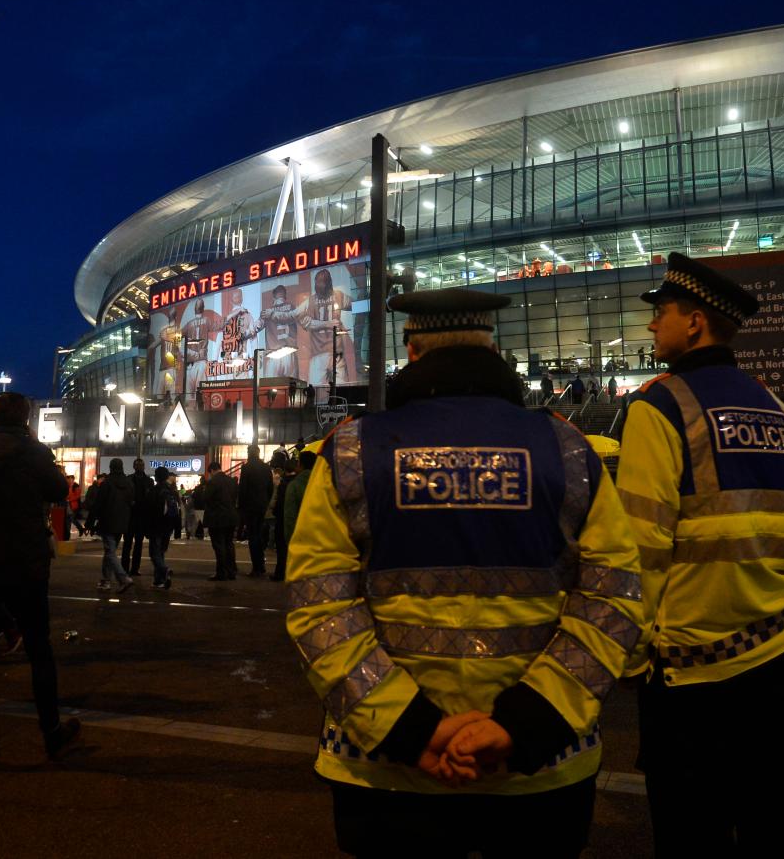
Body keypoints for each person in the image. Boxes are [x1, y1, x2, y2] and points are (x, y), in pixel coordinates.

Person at [286, 289, 648, 858]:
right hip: (539, 765)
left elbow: (319, 607)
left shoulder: (353, 451)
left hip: (387, 769)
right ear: (493, 348)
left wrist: (412, 728)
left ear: (412, 351)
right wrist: (527, 723)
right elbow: (615, 600)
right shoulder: (570, 449)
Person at [615, 252, 784, 858]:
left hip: (692, 660)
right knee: (770, 813)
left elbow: (641, 543)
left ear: (694, 322)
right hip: (774, 642)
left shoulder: (661, 408)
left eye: (661, 315)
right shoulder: (775, 409)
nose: (652, 327)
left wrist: (627, 648)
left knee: (691, 826)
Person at [0, 392, 78, 767]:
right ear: (26, 419)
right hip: (25, 564)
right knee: (39, 649)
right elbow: (58, 491)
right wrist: (35, 446)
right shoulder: (32, 452)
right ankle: (51, 732)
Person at [88, 458, 135, 593]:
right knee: (110, 551)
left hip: (108, 522)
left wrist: (90, 523)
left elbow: (98, 504)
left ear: (111, 467)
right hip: (122, 522)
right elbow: (132, 503)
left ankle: (123, 578)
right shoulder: (129, 483)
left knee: (110, 552)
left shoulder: (106, 483)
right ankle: (105, 580)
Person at [194, 462, 239, 581]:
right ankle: (231, 571)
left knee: (219, 546)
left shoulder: (213, 482)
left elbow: (205, 498)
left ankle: (221, 573)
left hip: (217, 518)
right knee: (229, 544)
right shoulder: (231, 481)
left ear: (212, 470)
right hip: (231, 517)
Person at [238, 444, 274, 577]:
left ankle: (257, 567)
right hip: (262, 506)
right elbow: (270, 488)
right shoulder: (266, 467)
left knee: (253, 536)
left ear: (249, 453)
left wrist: (241, 507)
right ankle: (261, 565)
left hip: (250, 506)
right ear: (258, 453)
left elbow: (243, 489)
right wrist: (266, 502)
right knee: (259, 535)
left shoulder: (246, 467)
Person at [146, 467, 176, 589]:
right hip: (167, 526)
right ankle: (158, 580)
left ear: (157, 477)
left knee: (154, 553)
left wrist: (147, 527)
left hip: (156, 526)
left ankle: (164, 570)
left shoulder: (154, 490)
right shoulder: (171, 490)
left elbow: (149, 511)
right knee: (161, 553)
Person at [269, 455, 297, 582]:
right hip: (298, 519)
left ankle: (280, 573)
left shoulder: (283, 483)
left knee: (281, 547)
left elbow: (279, 502)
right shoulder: (299, 481)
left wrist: (274, 511)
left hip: (282, 518)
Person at [124, 457, 153, 577]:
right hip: (130, 516)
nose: (139, 466)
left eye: (141, 465)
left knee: (138, 545)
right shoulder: (128, 479)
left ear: (144, 466)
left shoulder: (149, 481)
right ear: (134, 466)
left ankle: (135, 568)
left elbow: (151, 498)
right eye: (137, 465)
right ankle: (124, 568)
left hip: (142, 517)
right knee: (127, 544)